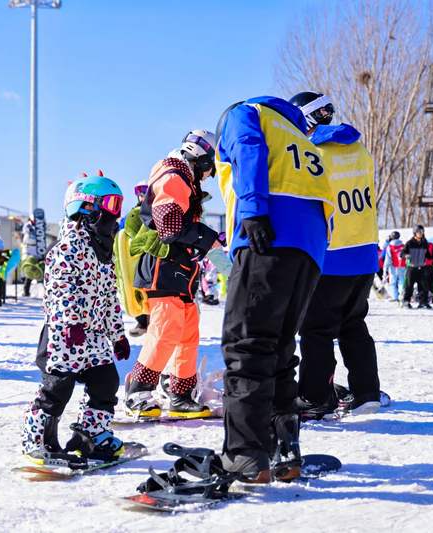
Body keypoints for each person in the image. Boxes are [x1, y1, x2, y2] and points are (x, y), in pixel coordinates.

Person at [215, 96, 335, 482]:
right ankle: (285, 447)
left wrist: (252, 211)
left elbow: (248, 148)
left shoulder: (245, 113)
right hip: (310, 248)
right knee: (280, 348)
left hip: (269, 235)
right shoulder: (299, 133)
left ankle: (246, 453)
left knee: (247, 344)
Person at [20, 173, 130, 465]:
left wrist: (117, 334)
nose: (114, 214)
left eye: (118, 206)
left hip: (93, 336)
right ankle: (38, 440)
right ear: (86, 208)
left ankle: (91, 436)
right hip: (64, 334)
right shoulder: (67, 249)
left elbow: (109, 297)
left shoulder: (102, 251)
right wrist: (70, 323)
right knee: (57, 388)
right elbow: (60, 290)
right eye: (110, 204)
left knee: (106, 382)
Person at [289, 92, 381, 419]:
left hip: (332, 254)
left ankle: (315, 398)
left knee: (317, 329)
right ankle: (367, 391)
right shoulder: (359, 149)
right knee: (353, 324)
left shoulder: (312, 153)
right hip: (366, 250)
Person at [124, 130, 220, 419]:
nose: (208, 176)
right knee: (165, 329)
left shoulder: (183, 177)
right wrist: (207, 237)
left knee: (187, 329)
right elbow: (168, 227)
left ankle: (180, 392)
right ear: (200, 158)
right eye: (209, 169)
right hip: (161, 267)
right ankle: (138, 391)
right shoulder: (173, 176)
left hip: (179, 269)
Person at [126, 181, 150, 337]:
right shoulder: (134, 212)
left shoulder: (157, 209)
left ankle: (150, 321)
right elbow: (125, 229)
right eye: (140, 195)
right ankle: (142, 320)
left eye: (145, 194)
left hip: (151, 254)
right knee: (135, 288)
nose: (143, 198)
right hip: (135, 256)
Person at [401, 225, 432, 309]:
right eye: (419, 232)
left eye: (422, 232)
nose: (421, 233)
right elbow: (402, 253)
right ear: (415, 233)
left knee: (423, 286)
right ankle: (406, 301)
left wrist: (432, 258)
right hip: (412, 267)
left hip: (421, 267)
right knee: (409, 286)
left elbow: (427, 254)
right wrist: (406, 255)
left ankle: (423, 302)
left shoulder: (424, 243)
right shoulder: (410, 243)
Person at [383, 231, 406, 302]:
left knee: (393, 283)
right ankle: (402, 295)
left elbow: (388, 259)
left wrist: (385, 269)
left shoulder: (390, 246)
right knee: (401, 282)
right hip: (402, 266)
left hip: (393, 267)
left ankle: (395, 297)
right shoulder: (403, 245)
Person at [21, 214, 40, 296]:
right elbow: (26, 232)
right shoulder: (27, 225)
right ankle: (26, 290)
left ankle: (26, 289)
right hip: (28, 249)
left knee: (33, 269)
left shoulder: (39, 226)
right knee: (28, 268)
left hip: (36, 250)